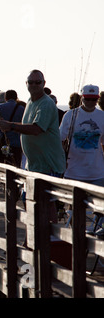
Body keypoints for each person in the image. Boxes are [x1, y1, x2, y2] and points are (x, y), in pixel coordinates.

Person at [0, 70, 65, 222]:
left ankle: (49, 239)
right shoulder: (30, 102)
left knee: (47, 204)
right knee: (30, 202)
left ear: (44, 83)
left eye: (37, 82)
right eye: (30, 82)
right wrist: (8, 126)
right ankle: (35, 238)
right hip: (34, 165)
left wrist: (11, 126)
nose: (34, 85)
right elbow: (28, 125)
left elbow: (36, 128)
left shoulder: (46, 103)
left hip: (48, 164)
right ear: (26, 84)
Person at [60, 84, 104, 235]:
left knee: (100, 208)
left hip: (97, 171)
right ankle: (76, 235)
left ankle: (96, 233)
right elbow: (60, 138)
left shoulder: (102, 116)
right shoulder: (70, 115)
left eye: (94, 99)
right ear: (81, 98)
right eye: (87, 99)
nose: (91, 102)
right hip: (73, 171)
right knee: (74, 207)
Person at [0, 90, 25, 167]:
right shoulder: (21, 109)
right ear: (16, 97)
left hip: (4, 142)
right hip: (18, 142)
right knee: (17, 164)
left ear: (6, 98)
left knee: (4, 165)